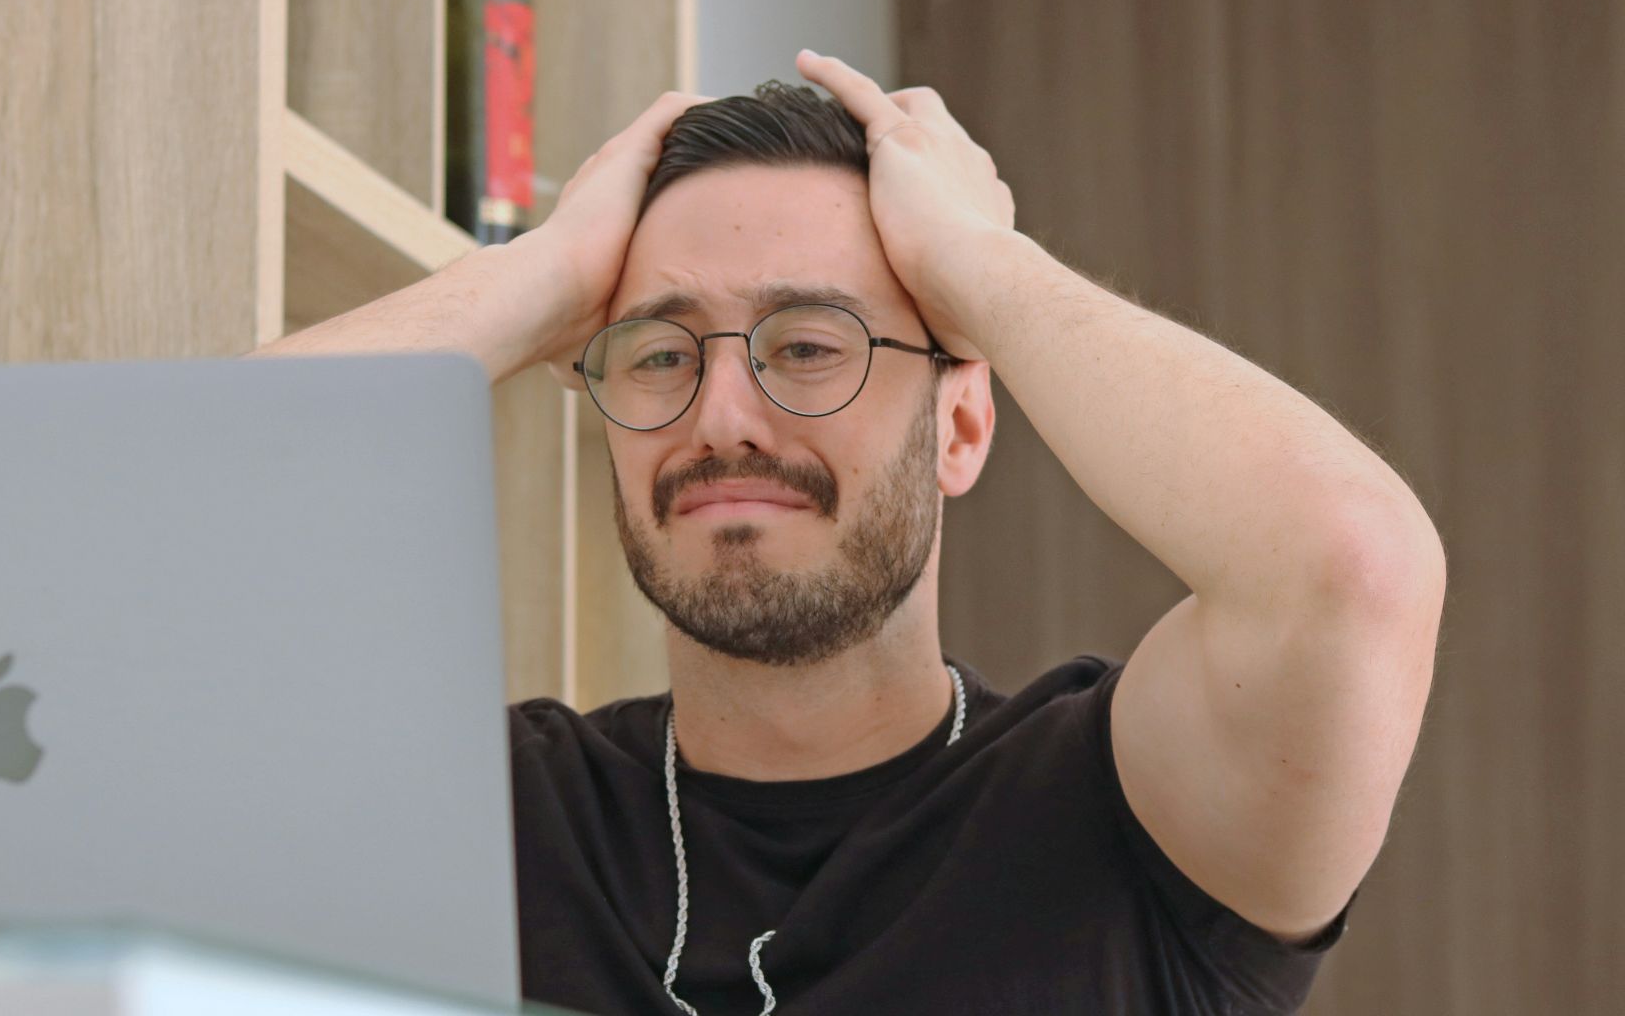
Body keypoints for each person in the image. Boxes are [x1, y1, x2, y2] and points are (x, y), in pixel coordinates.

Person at [251, 50, 1446, 1015]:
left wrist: (984, 265)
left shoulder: (1130, 825)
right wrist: (547, 276)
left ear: (962, 427)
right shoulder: (494, 824)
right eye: (663, 354)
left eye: (810, 347)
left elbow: (1350, 566)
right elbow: (108, 579)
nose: (723, 417)